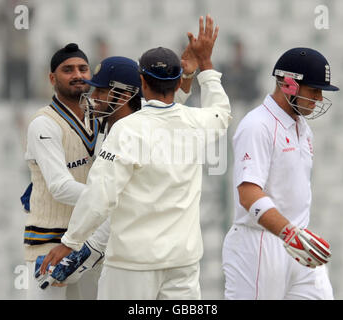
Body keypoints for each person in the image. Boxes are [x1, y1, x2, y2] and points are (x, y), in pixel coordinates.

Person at [40, 15, 231, 300]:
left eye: (101, 90)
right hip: (183, 263)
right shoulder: (196, 122)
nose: (93, 95)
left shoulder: (127, 131)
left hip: (133, 264)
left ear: (139, 83)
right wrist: (204, 66)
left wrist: (70, 242)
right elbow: (217, 112)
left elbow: (101, 195)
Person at [27, 48, 199, 293]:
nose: (91, 94)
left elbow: (119, 202)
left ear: (122, 96)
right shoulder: (103, 122)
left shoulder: (133, 128)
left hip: (123, 249)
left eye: (99, 90)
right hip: (74, 241)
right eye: (68, 70)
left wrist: (85, 251)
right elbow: (69, 189)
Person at [222, 47, 339, 300]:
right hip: (258, 246)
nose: (319, 98)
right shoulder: (257, 125)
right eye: (314, 90)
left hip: (298, 245)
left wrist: (296, 237)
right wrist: (289, 233)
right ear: (289, 85)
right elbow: (248, 193)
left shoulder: (303, 128)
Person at [23, 42, 106, 300]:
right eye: (68, 70)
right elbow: (60, 187)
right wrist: (113, 201)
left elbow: (149, 117)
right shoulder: (44, 124)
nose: (78, 75)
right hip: (50, 242)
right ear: (52, 78)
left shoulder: (102, 114)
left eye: (83, 68)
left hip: (92, 241)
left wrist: (183, 83)